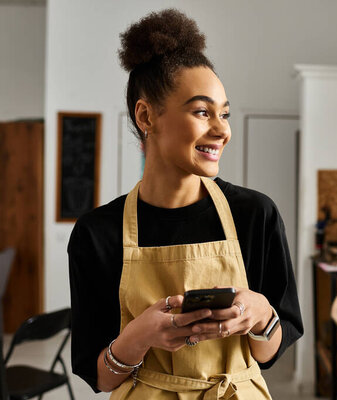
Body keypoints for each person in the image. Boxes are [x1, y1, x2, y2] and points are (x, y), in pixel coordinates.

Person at [68, 8, 303, 399]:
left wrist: (259, 312)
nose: (222, 129)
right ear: (146, 115)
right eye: (201, 111)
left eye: (224, 113)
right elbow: (101, 379)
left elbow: (269, 354)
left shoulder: (254, 215)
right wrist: (139, 336)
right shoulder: (97, 233)